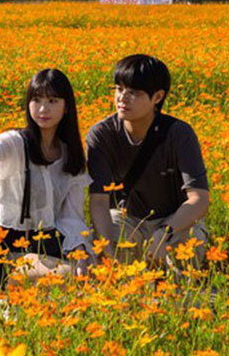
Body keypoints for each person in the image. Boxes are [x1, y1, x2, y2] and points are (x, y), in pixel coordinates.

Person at [0, 68, 90, 284]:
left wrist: (81, 253)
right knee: (65, 276)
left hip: (46, 242)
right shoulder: (15, 142)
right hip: (4, 244)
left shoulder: (71, 156)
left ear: (66, 106)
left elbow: (71, 216)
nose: (43, 109)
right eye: (36, 100)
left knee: (89, 270)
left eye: (52, 100)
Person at [85, 53, 211, 269]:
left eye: (133, 92)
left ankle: (176, 291)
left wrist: (166, 232)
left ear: (157, 97)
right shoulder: (101, 134)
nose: (122, 98)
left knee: (189, 245)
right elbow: (98, 201)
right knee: (107, 241)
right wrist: (105, 251)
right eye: (119, 89)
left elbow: (199, 199)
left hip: (173, 219)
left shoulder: (180, 134)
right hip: (128, 218)